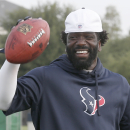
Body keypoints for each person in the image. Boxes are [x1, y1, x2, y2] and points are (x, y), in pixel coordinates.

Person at [0, 8, 130, 130]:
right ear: (65, 43)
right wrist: (12, 57)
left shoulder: (119, 84)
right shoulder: (44, 77)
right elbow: (4, 102)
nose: (80, 42)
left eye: (89, 37)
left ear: (100, 44)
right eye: (73, 37)